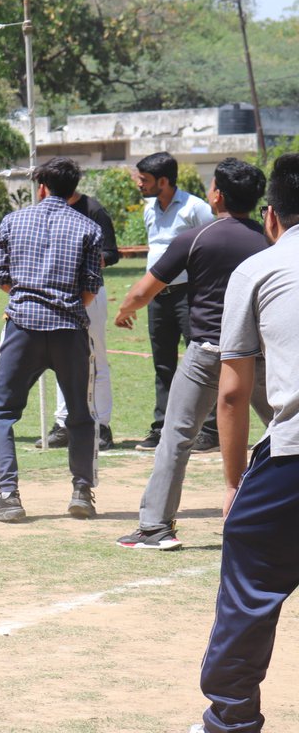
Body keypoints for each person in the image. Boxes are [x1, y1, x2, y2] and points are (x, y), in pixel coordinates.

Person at [190, 152, 299, 733]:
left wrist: (233, 482)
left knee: (249, 590)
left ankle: (231, 719)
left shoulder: (260, 268)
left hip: (291, 458)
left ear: (271, 216)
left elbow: (232, 392)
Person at [114, 158, 271, 551]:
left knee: (177, 435)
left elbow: (144, 290)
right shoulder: (268, 239)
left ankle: (155, 527)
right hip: (258, 355)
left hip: (208, 354)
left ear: (217, 195)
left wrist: (124, 310)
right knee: (286, 429)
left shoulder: (197, 237)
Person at [0, 156, 102, 523]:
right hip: (70, 331)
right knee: (81, 413)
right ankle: (82, 491)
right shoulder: (88, 228)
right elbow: (90, 290)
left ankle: (8, 494)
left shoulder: (12, 221)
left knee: (1, 412)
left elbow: (4, 280)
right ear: (74, 190)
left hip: (23, 327)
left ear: (41, 187)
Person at [134, 152, 216, 452]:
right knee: (163, 364)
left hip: (188, 295)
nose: (139, 184)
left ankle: (210, 430)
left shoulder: (195, 208)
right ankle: (162, 427)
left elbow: (212, 244)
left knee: (203, 361)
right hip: (158, 298)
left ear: (164, 181)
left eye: (145, 179)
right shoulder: (149, 209)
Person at [36, 189, 121, 451]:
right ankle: (63, 424)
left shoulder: (93, 210)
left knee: (95, 358)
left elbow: (112, 253)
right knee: (61, 358)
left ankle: (101, 425)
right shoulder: (47, 212)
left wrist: (84, 259)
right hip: (59, 291)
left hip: (89, 291)